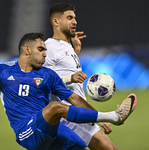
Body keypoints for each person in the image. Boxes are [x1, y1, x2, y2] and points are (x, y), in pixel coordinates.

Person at [0, 32, 137, 150]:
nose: (45, 55)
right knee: (55, 107)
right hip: (26, 131)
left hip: (51, 128)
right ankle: (114, 116)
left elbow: (74, 98)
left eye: (46, 50)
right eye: (41, 50)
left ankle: (110, 117)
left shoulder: (47, 74)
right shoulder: (2, 72)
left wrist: (95, 116)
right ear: (27, 50)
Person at [43, 3, 125, 150]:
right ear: (56, 21)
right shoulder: (49, 48)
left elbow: (66, 75)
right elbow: (43, 83)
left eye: (74, 18)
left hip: (77, 114)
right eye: (69, 18)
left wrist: (76, 51)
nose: (74, 21)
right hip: (69, 118)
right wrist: (97, 116)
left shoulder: (67, 47)